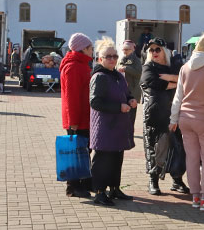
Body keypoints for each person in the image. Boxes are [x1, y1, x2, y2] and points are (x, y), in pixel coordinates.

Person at [170, 32, 204, 211]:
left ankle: (195, 197)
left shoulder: (185, 68)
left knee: (191, 157)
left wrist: (173, 118)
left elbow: (178, 96)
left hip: (185, 118)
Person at [89, 38, 138, 206]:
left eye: (115, 56)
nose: (112, 59)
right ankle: (99, 192)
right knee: (103, 160)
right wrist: (119, 107)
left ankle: (114, 188)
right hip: (105, 126)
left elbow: (126, 93)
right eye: (108, 56)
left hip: (118, 125)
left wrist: (131, 99)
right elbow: (95, 102)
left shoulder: (118, 75)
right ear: (100, 59)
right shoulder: (99, 77)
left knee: (117, 158)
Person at [141, 37, 188, 195]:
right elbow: (152, 82)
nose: (154, 52)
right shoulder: (148, 67)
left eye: (157, 49)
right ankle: (153, 181)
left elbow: (185, 79)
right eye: (151, 50)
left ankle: (177, 180)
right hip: (155, 115)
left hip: (175, 113)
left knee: (178, 149)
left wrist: (171, 79)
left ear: (165, 51)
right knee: (155, 149)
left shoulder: (174, 65)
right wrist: (176, 83)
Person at [59, 33, 95, 198]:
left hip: (84, 117)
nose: (92, 50)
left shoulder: (81, 64)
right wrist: (73, 121)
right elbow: (71, 97)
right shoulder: (73, 67)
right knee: (75, 153)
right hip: (77, 119)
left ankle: (85, 181)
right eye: (90, 47)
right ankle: (73, 186)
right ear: (83, 49)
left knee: (84, 151)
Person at [117, 40, 142, 128]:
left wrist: (126, 68)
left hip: (133, 91)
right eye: (124, 49)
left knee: (131, 116)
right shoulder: (120, 59)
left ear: (132, 50)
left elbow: (139, 73)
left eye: (127, 49)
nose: (125, 51)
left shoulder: (136, 60)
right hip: (122, 91)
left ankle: (130, 132)